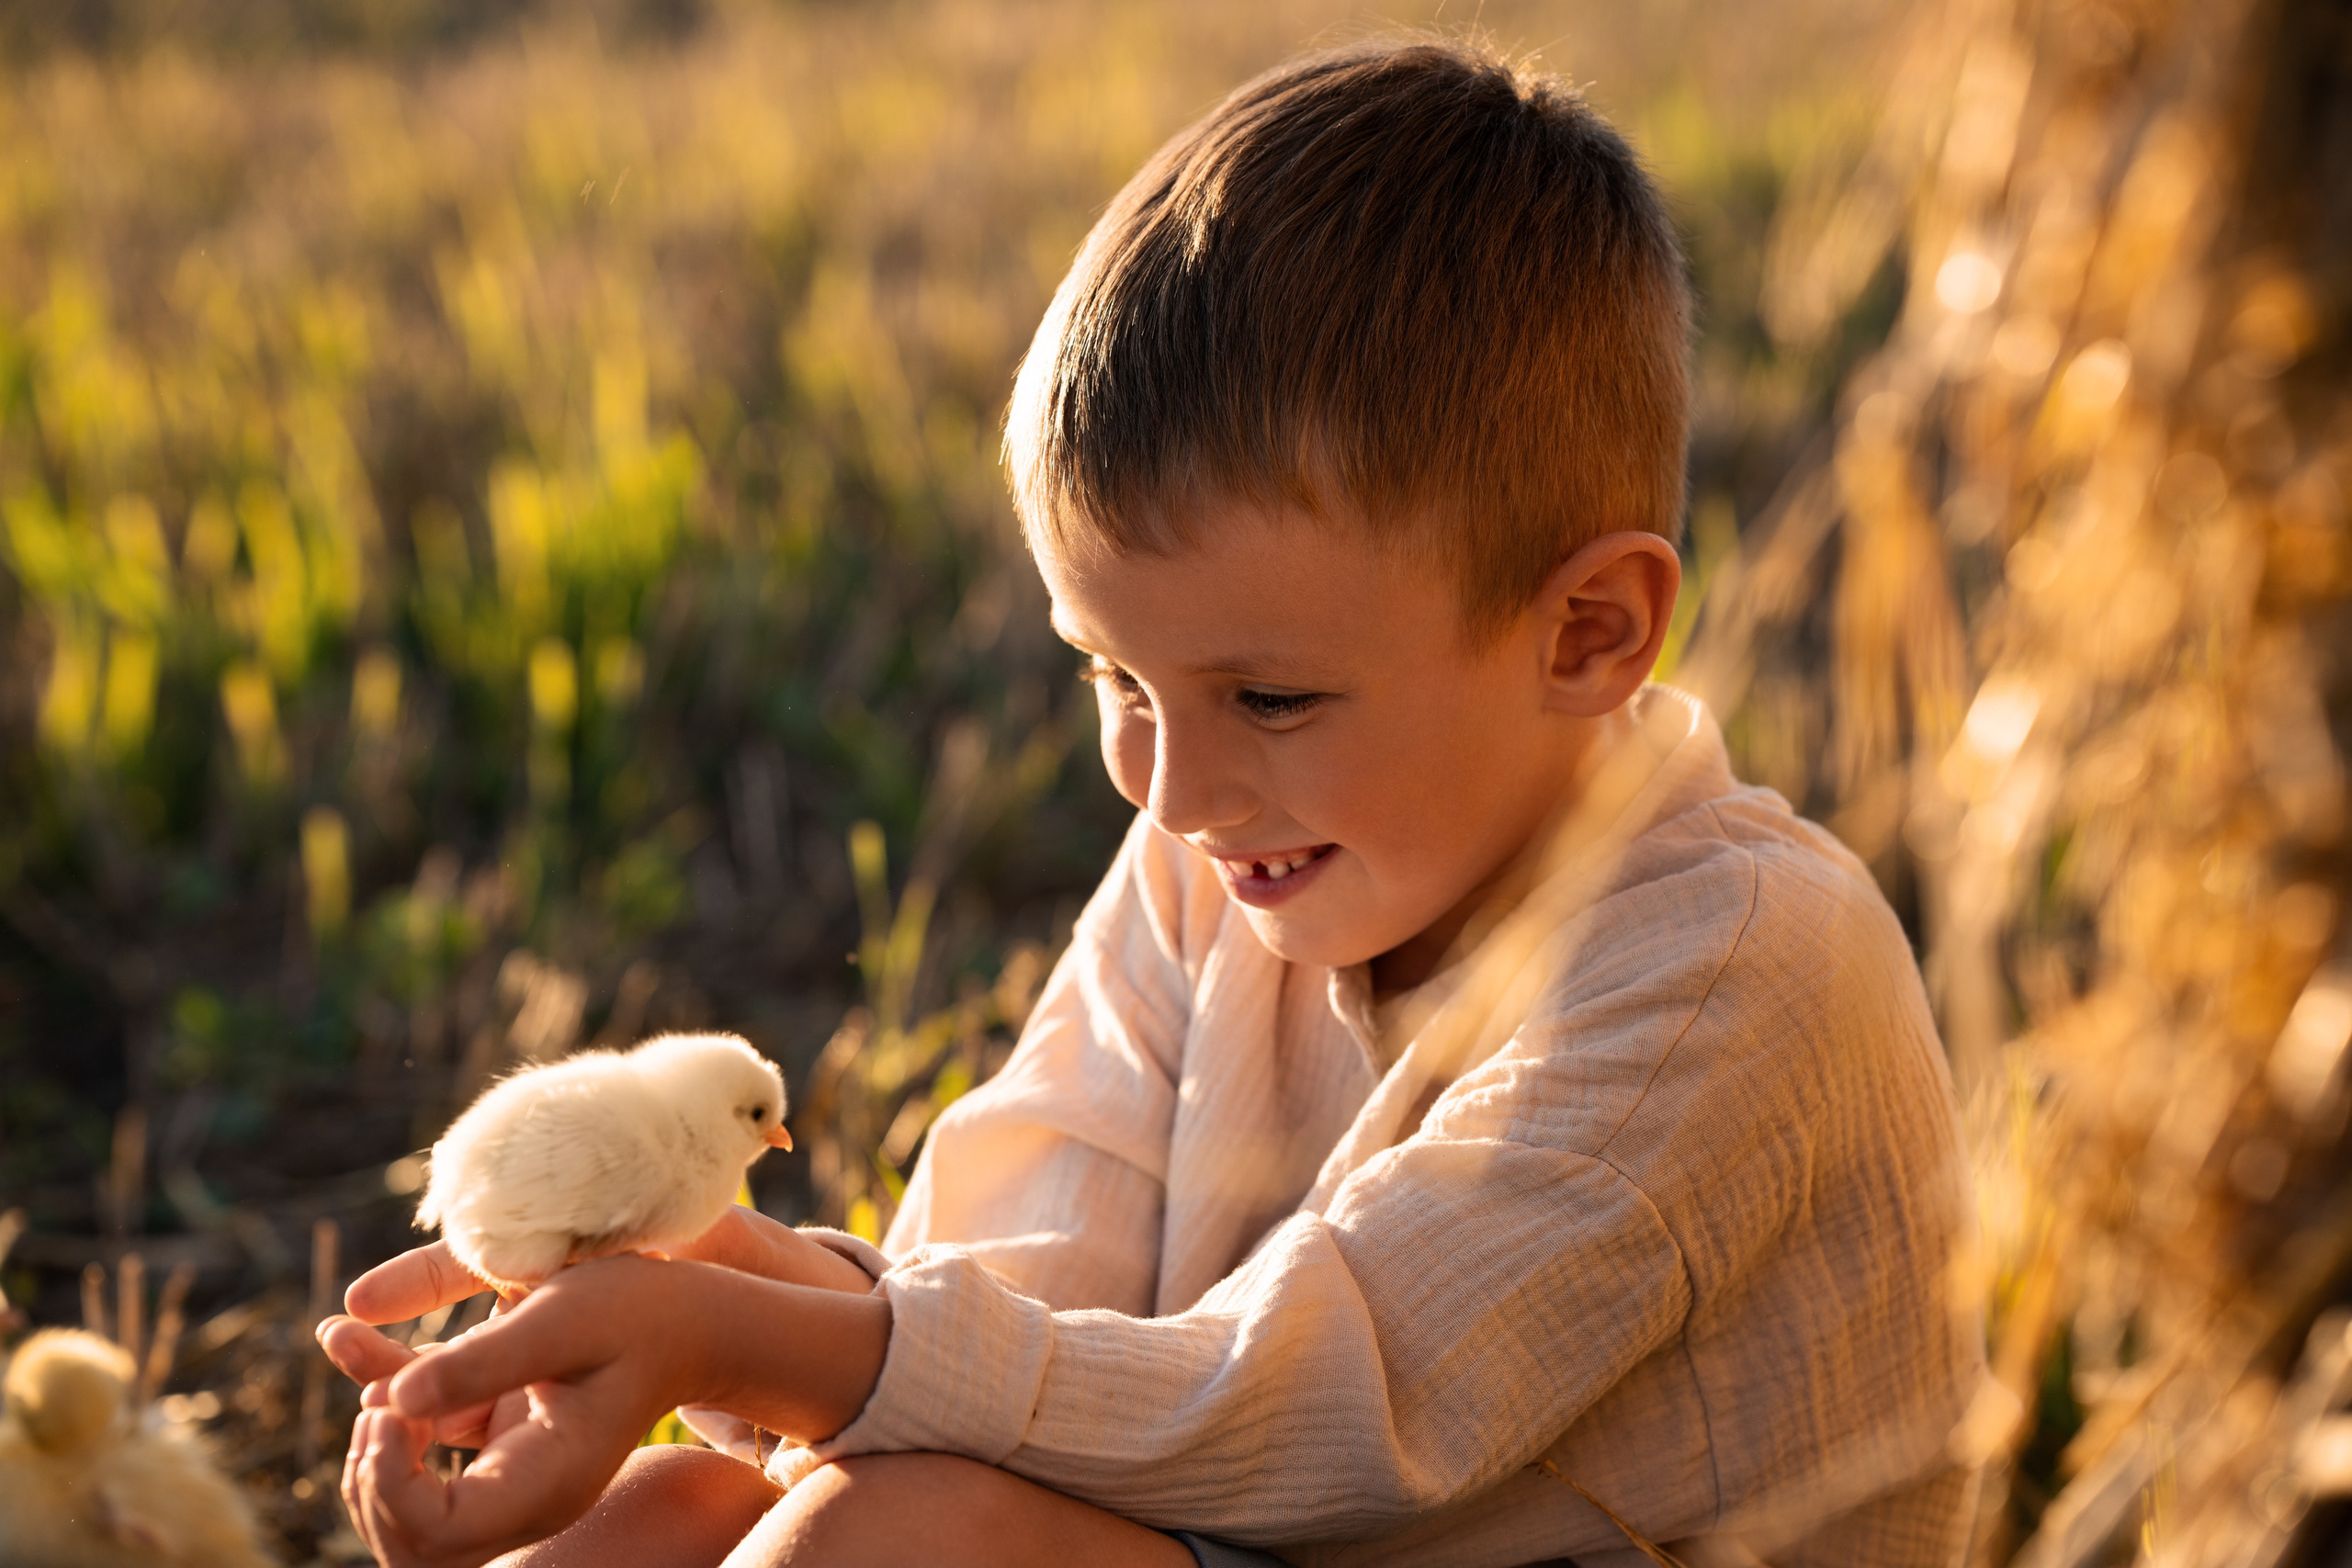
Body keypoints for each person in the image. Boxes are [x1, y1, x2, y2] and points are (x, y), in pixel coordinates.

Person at [321, 34, 1986, 1568]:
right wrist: (689, 1277)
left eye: (1269, 695)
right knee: (687, 1504)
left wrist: (748, 1338)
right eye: (1113, 680)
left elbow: (1327, 1408)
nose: (1168, 787)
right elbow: (1024, 1305)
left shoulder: (1736, 963)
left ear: (1589, 631)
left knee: (898, 1545)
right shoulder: (1227, 855)